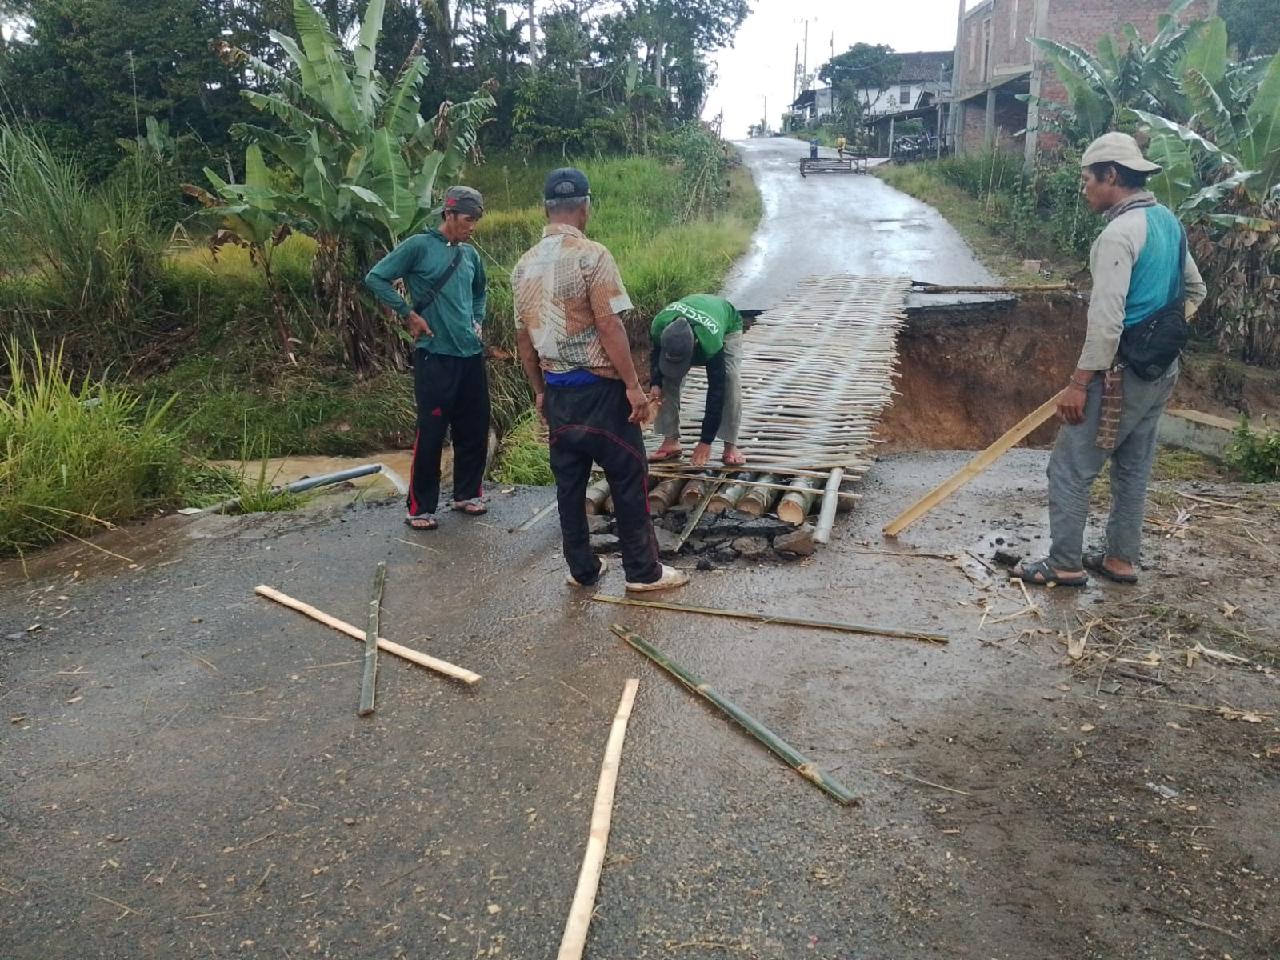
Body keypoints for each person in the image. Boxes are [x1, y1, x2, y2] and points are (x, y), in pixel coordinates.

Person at [1014, 132, 1206, 588]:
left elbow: (1105, 322)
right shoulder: (1168, 222)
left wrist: (1080, 383)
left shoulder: (1118, 234)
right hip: (1161, 371)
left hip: (1117, 375)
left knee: (1070, 467)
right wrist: (1161, 338)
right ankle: (1120, 559)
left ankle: (1063, 563)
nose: (1085, 190)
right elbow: (1195, 291)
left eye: (1087, 180)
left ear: (1112, 176)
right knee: (1133, 466)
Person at [512, 167, 688, 593]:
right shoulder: (593, 255)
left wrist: (538, 391)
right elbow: (610, 326)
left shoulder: (523, 265)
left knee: (569, 485)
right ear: (585, 207)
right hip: (601, 393)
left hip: (558, 393)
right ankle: (644, 573)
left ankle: (582, 569)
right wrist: (633, 385)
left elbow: (523, 340)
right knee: (628, 477)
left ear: (545, 209)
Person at [364, 185, 491, 531]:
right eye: (468, 219)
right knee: (432, 431)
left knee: (475, 427)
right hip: (435, 355)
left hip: (470, 355)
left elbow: (481, 291)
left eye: (476, 220)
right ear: (448, 215)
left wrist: (478, 321)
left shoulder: (470, 256)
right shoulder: (419, 246)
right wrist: (408, 313)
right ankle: (421, 507)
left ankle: (467, 493)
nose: (472, 226)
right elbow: (376, 277)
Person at [647, 294, 746, 468]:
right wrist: (655, 383)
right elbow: (656, 356)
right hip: (696, 310)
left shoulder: (710, 341)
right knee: (666, 378)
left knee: (730, 379)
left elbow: (717, 390)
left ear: (695, 346)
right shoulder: (659, 325)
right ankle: (670, 441)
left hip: (726, 324)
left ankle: (730, 446)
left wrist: (705, 441)